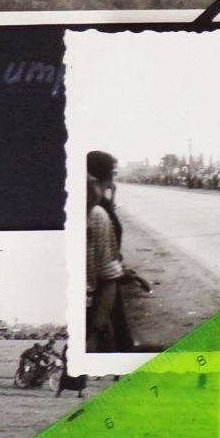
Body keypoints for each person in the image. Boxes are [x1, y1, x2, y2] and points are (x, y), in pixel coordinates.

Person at [85, 149, 148, 352]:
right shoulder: (95, 211)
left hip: (106, 285)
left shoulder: (100, 208)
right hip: (98, 298)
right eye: (112, 174)